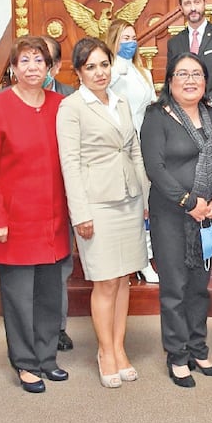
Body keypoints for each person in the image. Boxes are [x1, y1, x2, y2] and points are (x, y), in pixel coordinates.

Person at [0, 36, 70, 393]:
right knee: (18, 297)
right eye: (25, 61)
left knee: (50, 292)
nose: (32, 67)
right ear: (13, 68)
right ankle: (25, 363)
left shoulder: (62, 105)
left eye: (38, 60)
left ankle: (47, 358)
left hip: (55, 216)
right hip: (13, 220)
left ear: (49, 68)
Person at [57, 38, 149, 388]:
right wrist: (80, 212)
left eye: (104, 64)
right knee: (105, 280)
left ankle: (120, 348)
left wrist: (144, 197)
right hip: (96, 203)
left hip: (129, 199)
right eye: (90, 66)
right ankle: (105, 351)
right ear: (79, 72)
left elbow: (135, 152)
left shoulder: (122, 102)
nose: (99, 72)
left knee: (124, 277)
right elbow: (70, 163)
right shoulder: (72, 107)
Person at [141, 53, 212, 388]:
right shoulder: (156, 116)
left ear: (206, 81)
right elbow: (155, 168)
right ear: (170, 81)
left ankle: (198, 348)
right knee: (174, 287)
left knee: (199, 288)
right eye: (182, 74)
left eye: (196, 74)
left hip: (207, 217)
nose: (190, 80)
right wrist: (188, 201)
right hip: (171, 213)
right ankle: (177, 355)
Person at [105, 19, 160, 283]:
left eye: (133, 37)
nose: (131, 42)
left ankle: (145, 259)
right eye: (125, 38)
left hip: (145, 140)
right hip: (120, 143)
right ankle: (125, 260)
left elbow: (152, 104)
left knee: (145, 203)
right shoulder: (109, 71)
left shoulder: (143, 72)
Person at [41, 35, 76, 353]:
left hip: (64, 193)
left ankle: (58, 326)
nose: (39, 67)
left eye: (45, 61)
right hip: (30, 195)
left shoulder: (71, 97)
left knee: (62, 264)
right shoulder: (11, 96)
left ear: (56, 66)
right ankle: (34, 327)